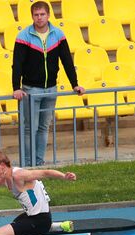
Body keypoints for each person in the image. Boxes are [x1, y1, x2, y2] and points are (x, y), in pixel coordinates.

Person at [12, 1, 84, 166]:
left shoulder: (58, 34)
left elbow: (67, 60)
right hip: (31, 90)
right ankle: (28, 163)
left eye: (42, 14)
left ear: (48, 15)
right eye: (36, 15)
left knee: (44, 127)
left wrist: (75, 84)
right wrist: (16, 87)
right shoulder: (23, 36)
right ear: (32, 17)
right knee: (30, 128)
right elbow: (17, 64)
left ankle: (39, 162)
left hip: (51, 89)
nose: (39, 18)